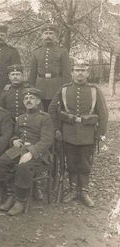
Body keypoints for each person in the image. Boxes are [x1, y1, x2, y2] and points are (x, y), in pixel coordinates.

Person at [48, 60, 108, 207]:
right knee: (71, 162)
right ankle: (74, 189)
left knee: (86, 162)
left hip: (88, 134)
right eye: (77, 70)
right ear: (72, 73)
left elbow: (103, 113)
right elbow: (51, 110)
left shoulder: (94, 90)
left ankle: (84, 191)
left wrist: (100, 133)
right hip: (68, 133)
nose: (80, 73)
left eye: (83, 70)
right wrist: (56, 129)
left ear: (87, 73)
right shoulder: (64, 89)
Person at [0, 88, 54, 216]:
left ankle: (20, 200)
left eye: (32, 98)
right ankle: (11, 194)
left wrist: (31, 153)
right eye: (26, 99)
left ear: (38, 101)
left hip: (39, 152)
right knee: (0, 163)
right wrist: (14, 140)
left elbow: (47, 140)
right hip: (19, 149)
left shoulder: (45, 118)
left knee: (23, 167)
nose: (28, 101)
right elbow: (16, 135)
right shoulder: (21, 117)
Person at [28, 24, 71, 111]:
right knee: (41, 111)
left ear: (55, 36)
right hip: (40, 87)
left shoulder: (62, 51)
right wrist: (32, 88)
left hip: (56, 86)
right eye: (46, 33)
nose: (48, 36)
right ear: (42, 36)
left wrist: (65, 89)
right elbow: (33, 73)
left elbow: (66, 72)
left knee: (56, 111)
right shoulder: (36, 52)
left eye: (51, 33)